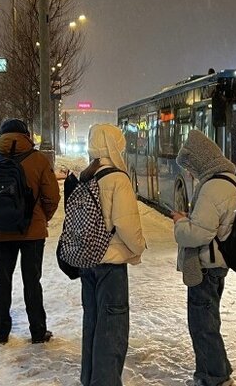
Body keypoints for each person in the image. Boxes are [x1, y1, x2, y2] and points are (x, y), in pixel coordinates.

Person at [0, 119, 60, 344]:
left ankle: (1, 331)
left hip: (2, 233)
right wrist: (40, 218)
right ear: (27, 135)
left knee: (2, 280)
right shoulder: (39, 160)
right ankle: (38, 332)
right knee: (32, 281)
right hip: (33, 234)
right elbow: (52, 197)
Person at [78, 124, 146, 386]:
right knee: (112, 329)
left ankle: (90, 377)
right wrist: (139, 247)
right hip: (110, 264)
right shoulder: (117, 179)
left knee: (93, 323)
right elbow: (127, 225)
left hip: (87, 262)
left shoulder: (86, 176)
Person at [171, 130, 236, 386]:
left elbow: (198, 233)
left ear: (200, 160)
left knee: (202, 325)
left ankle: (213, 376)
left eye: (191, 167)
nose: (190, 173)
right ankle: (217, 368)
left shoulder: (213, 187)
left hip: (207, 266)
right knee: (208, 320)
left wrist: (180, 223)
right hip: (216, 263)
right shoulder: (227, 180)